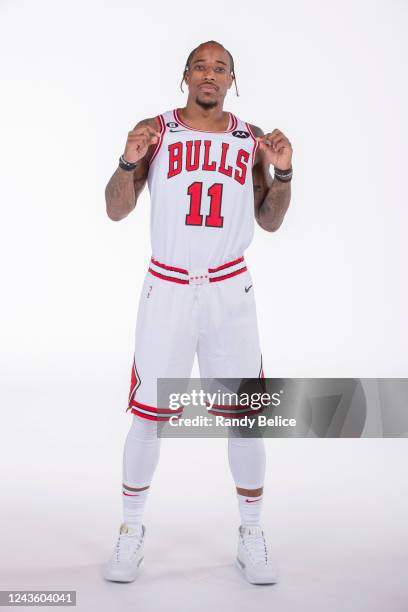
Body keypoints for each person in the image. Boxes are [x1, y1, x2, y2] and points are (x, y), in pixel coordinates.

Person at [103, 40, 293, 585]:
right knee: (147, 414)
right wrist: (127, 163)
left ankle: (251, 534)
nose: (210, 75)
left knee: (246, 417)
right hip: (167, 284)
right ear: (185, 74)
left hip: (229, 288)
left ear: (234, 79)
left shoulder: (251, 139)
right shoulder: (156, 130)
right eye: (200, 66)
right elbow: (116, 210)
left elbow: (271, 221)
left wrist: (281, 174)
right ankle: (131, 531)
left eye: (221, 68)